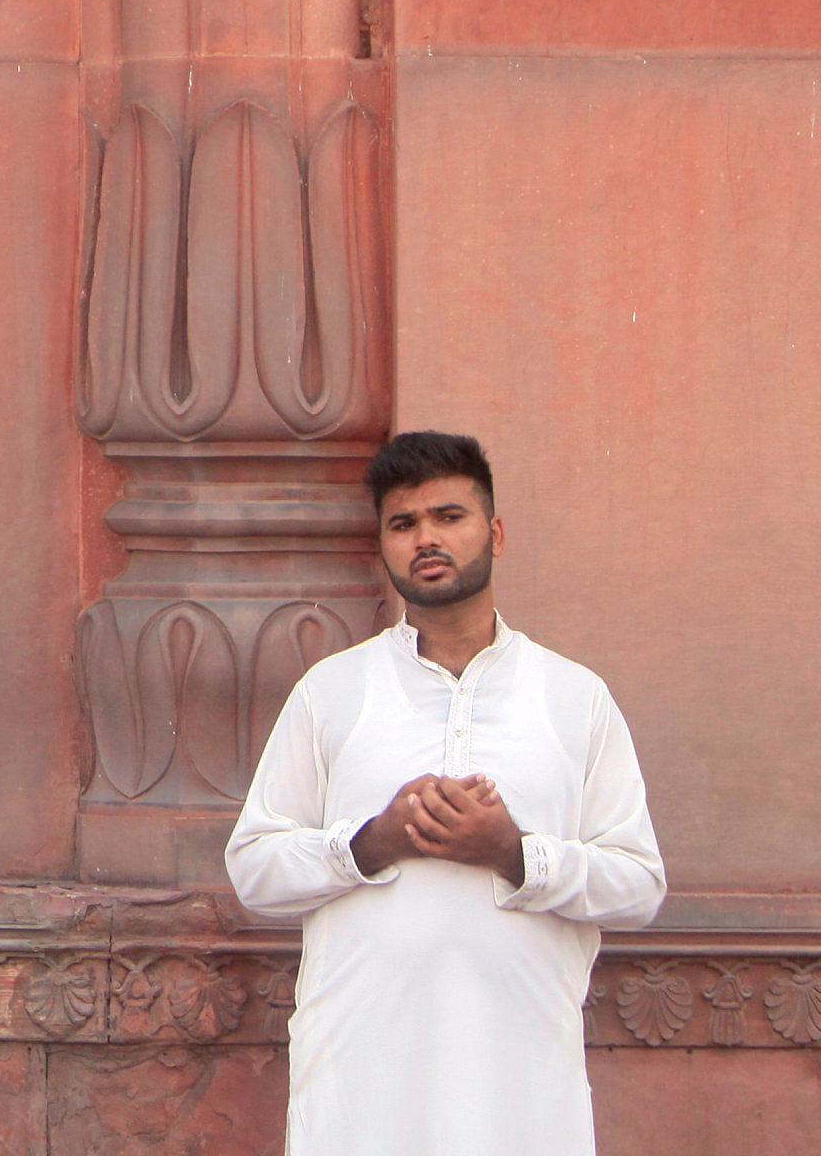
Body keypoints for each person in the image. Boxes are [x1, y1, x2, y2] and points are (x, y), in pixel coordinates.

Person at [227, 431, 664, 1156]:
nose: (426, 537)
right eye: (403, 523)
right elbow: (253, 870)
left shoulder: (574, 696)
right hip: (361, 1087)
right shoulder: (332, 692)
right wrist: (373, 842)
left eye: (448, 516)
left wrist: (514, 853)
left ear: (493, 531)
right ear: (383, 545)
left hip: (523, 1090)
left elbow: (639, 885)